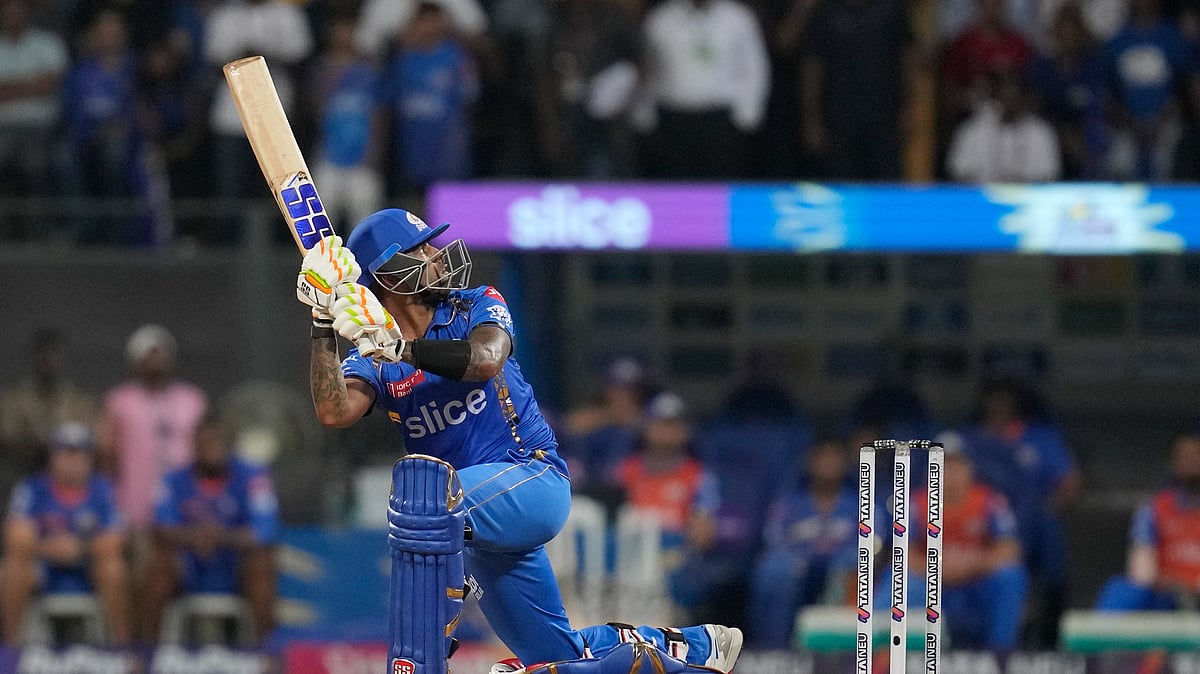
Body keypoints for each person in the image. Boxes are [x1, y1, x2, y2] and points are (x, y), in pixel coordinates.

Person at [295, 208, 743, 672]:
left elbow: (486, 359)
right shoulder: (372, 356)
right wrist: (321, 323)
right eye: (421, 249)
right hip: (478, 532)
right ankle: (691, 649)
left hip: (532, 480)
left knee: (421, 504)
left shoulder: (474, 304)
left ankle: (418, 662)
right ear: (389, 271)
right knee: (556, 660)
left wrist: (402, 349)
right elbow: (333, 410)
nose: (436, 254)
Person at [141, 413, 278, 644]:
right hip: (189, 566)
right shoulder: (172, 480)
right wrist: (194, 537)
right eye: (206, 442)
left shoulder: (254, 477)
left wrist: (221, 537)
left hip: (234, 565)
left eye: (219, 442)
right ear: (194, 445)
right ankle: (150, 652)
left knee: (262, 564)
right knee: (158, 565)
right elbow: (160, 527)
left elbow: (264, 529)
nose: (212, 449)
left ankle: (264, 653)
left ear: (231, 445)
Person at [0, 422, 131, 646]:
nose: (72, 462)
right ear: (52, 457)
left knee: (114, 567)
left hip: (87, 565)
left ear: (90, 459)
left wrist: (78, 548)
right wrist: (49, 548)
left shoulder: (103, 489)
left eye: (79, 455)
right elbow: (15, 535)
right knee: (12, 567)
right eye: (65, 454)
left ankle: (122, 647)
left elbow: (116, 539)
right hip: (44, 566)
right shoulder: (33, 488)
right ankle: (11, 649)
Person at [97, 325, 208, 565]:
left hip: (186, 511)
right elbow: (108, 454)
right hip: (136, 509)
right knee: (143, 572)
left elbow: (207, 451)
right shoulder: (120, 401)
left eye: (161, 353)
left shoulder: (192, 399)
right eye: (149, 354)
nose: (155, 360)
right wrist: (112, 502)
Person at [913, 432, 1027, 652]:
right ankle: (895, 657)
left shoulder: (989, 501)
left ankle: (1000, 657)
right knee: (902, 581)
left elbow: (1010, 549)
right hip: (933, 587)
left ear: (970, 468)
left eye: (957, 464)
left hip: (975, 585)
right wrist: (938, 569)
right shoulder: (915, 504)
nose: (951, 472)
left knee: (1010, 575)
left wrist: (972, 565)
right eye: (943, 464)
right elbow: (901, 555)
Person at [746, 437, 857, 650]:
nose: (828, 463)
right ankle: (774, 650)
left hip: (841, 570)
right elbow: (774, 538)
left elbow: (875, 544)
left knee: (849, 567)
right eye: (822, 457)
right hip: (799, 569)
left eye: (834, 457)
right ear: (810, 462)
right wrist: (804, 557)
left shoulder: (859, 502)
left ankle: (843, 652)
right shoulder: (790, 502)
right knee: (776, 570)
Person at [1096, 433, 1200, 611]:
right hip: (1169, 594)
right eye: (1184, 457)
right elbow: (1142, 570)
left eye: (1195, 456)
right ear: (1173, 463)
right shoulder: (1154, 509)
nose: (1190, 462)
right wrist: (1174, 584)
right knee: (1119, 590)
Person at [0, 328, 99, 508]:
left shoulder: (78, 401)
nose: (49, 361)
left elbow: (89, 438)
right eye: (43, 356)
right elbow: (9, 437)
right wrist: (49, 443)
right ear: (33, 358)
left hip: (68, 487)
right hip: (21, 479)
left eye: (54, 355)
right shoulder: (14, 400)